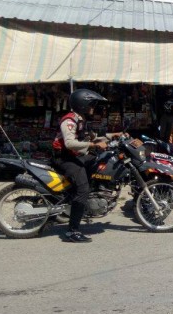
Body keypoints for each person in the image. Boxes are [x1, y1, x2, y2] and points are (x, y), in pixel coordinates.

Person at [52, 89, 122, 243]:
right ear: (82, 104)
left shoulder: (80, 119)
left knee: (96, 162)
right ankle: (72, 231)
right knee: (83, 189)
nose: (93, 107)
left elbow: (94, 137)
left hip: (74, 156)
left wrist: (113, 135)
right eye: (91, 104)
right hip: (65, 158)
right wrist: (92, 145)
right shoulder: (69, 120)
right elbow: (70, 143)